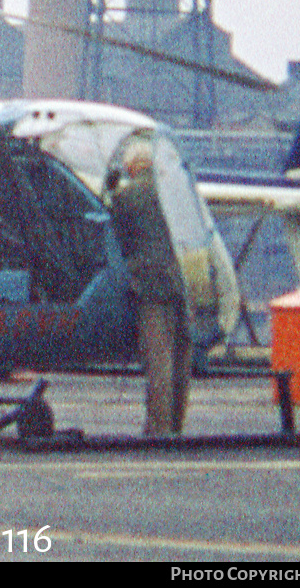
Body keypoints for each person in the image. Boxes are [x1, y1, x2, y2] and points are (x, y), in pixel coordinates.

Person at [106, 134, 192, 436]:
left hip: (149, 282)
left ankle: (159, 427)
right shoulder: (171, 193)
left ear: (131, 167)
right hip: (177, 279)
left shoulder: (129, 197)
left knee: (159, 358)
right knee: (180, 357)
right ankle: (176, 423)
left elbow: (113, 233)